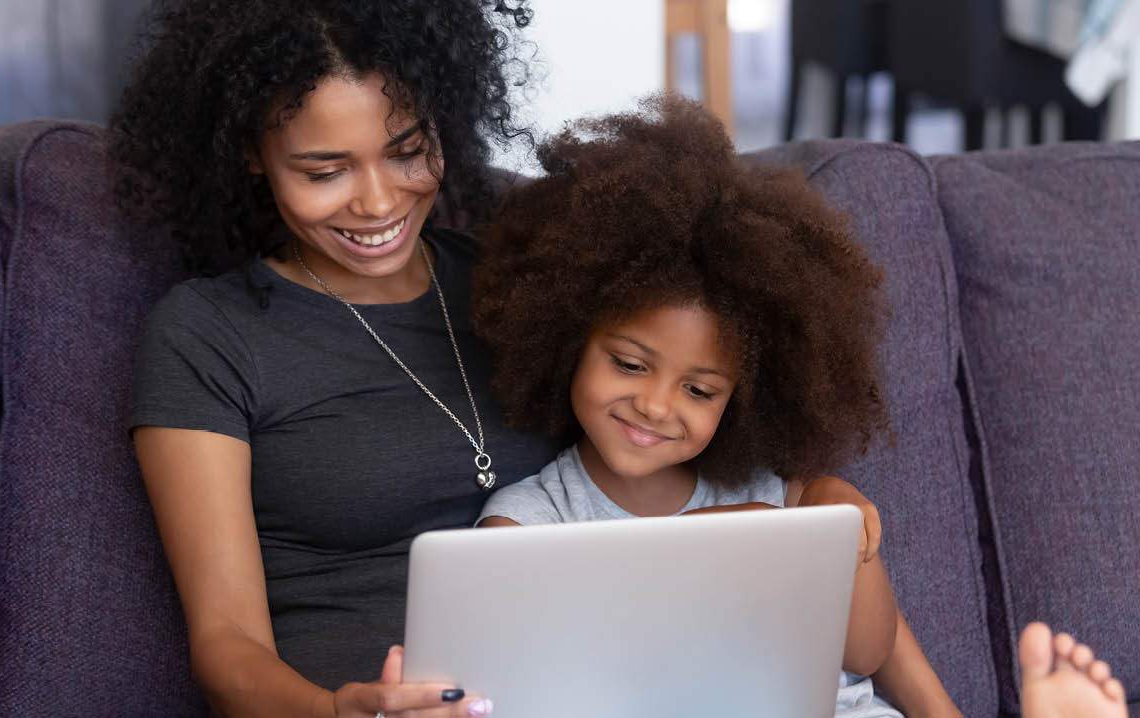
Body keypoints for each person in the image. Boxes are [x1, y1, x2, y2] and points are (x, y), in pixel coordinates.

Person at [112, 1, 557, 715]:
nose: (380, 204)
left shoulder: (513, 284)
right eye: (326, 172)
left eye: (408, 152)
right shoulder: (208, 334)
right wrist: (338, 712)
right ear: (253, 154)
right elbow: (226, 646)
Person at [470, 94, 962, 717]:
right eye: (628, 364)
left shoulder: (778, 492)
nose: (654, 405)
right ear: (567, 341)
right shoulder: (528, 524)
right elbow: (542, 673)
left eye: (699, 390)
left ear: (740, 400)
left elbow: (865, 655)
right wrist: (723, 540)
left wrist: (838, 530)